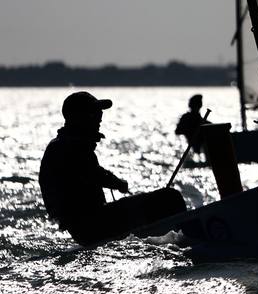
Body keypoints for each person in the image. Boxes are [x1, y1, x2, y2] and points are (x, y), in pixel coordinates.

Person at [40, 92, 187, 246]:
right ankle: (192, 238)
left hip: (89, 226)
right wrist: (118, 183)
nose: (100, 118)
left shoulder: (66, 144)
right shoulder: (67, 146)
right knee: (171, 198)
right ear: (81, 117)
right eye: (95, 113)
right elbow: (93, 173)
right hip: (93, 225)